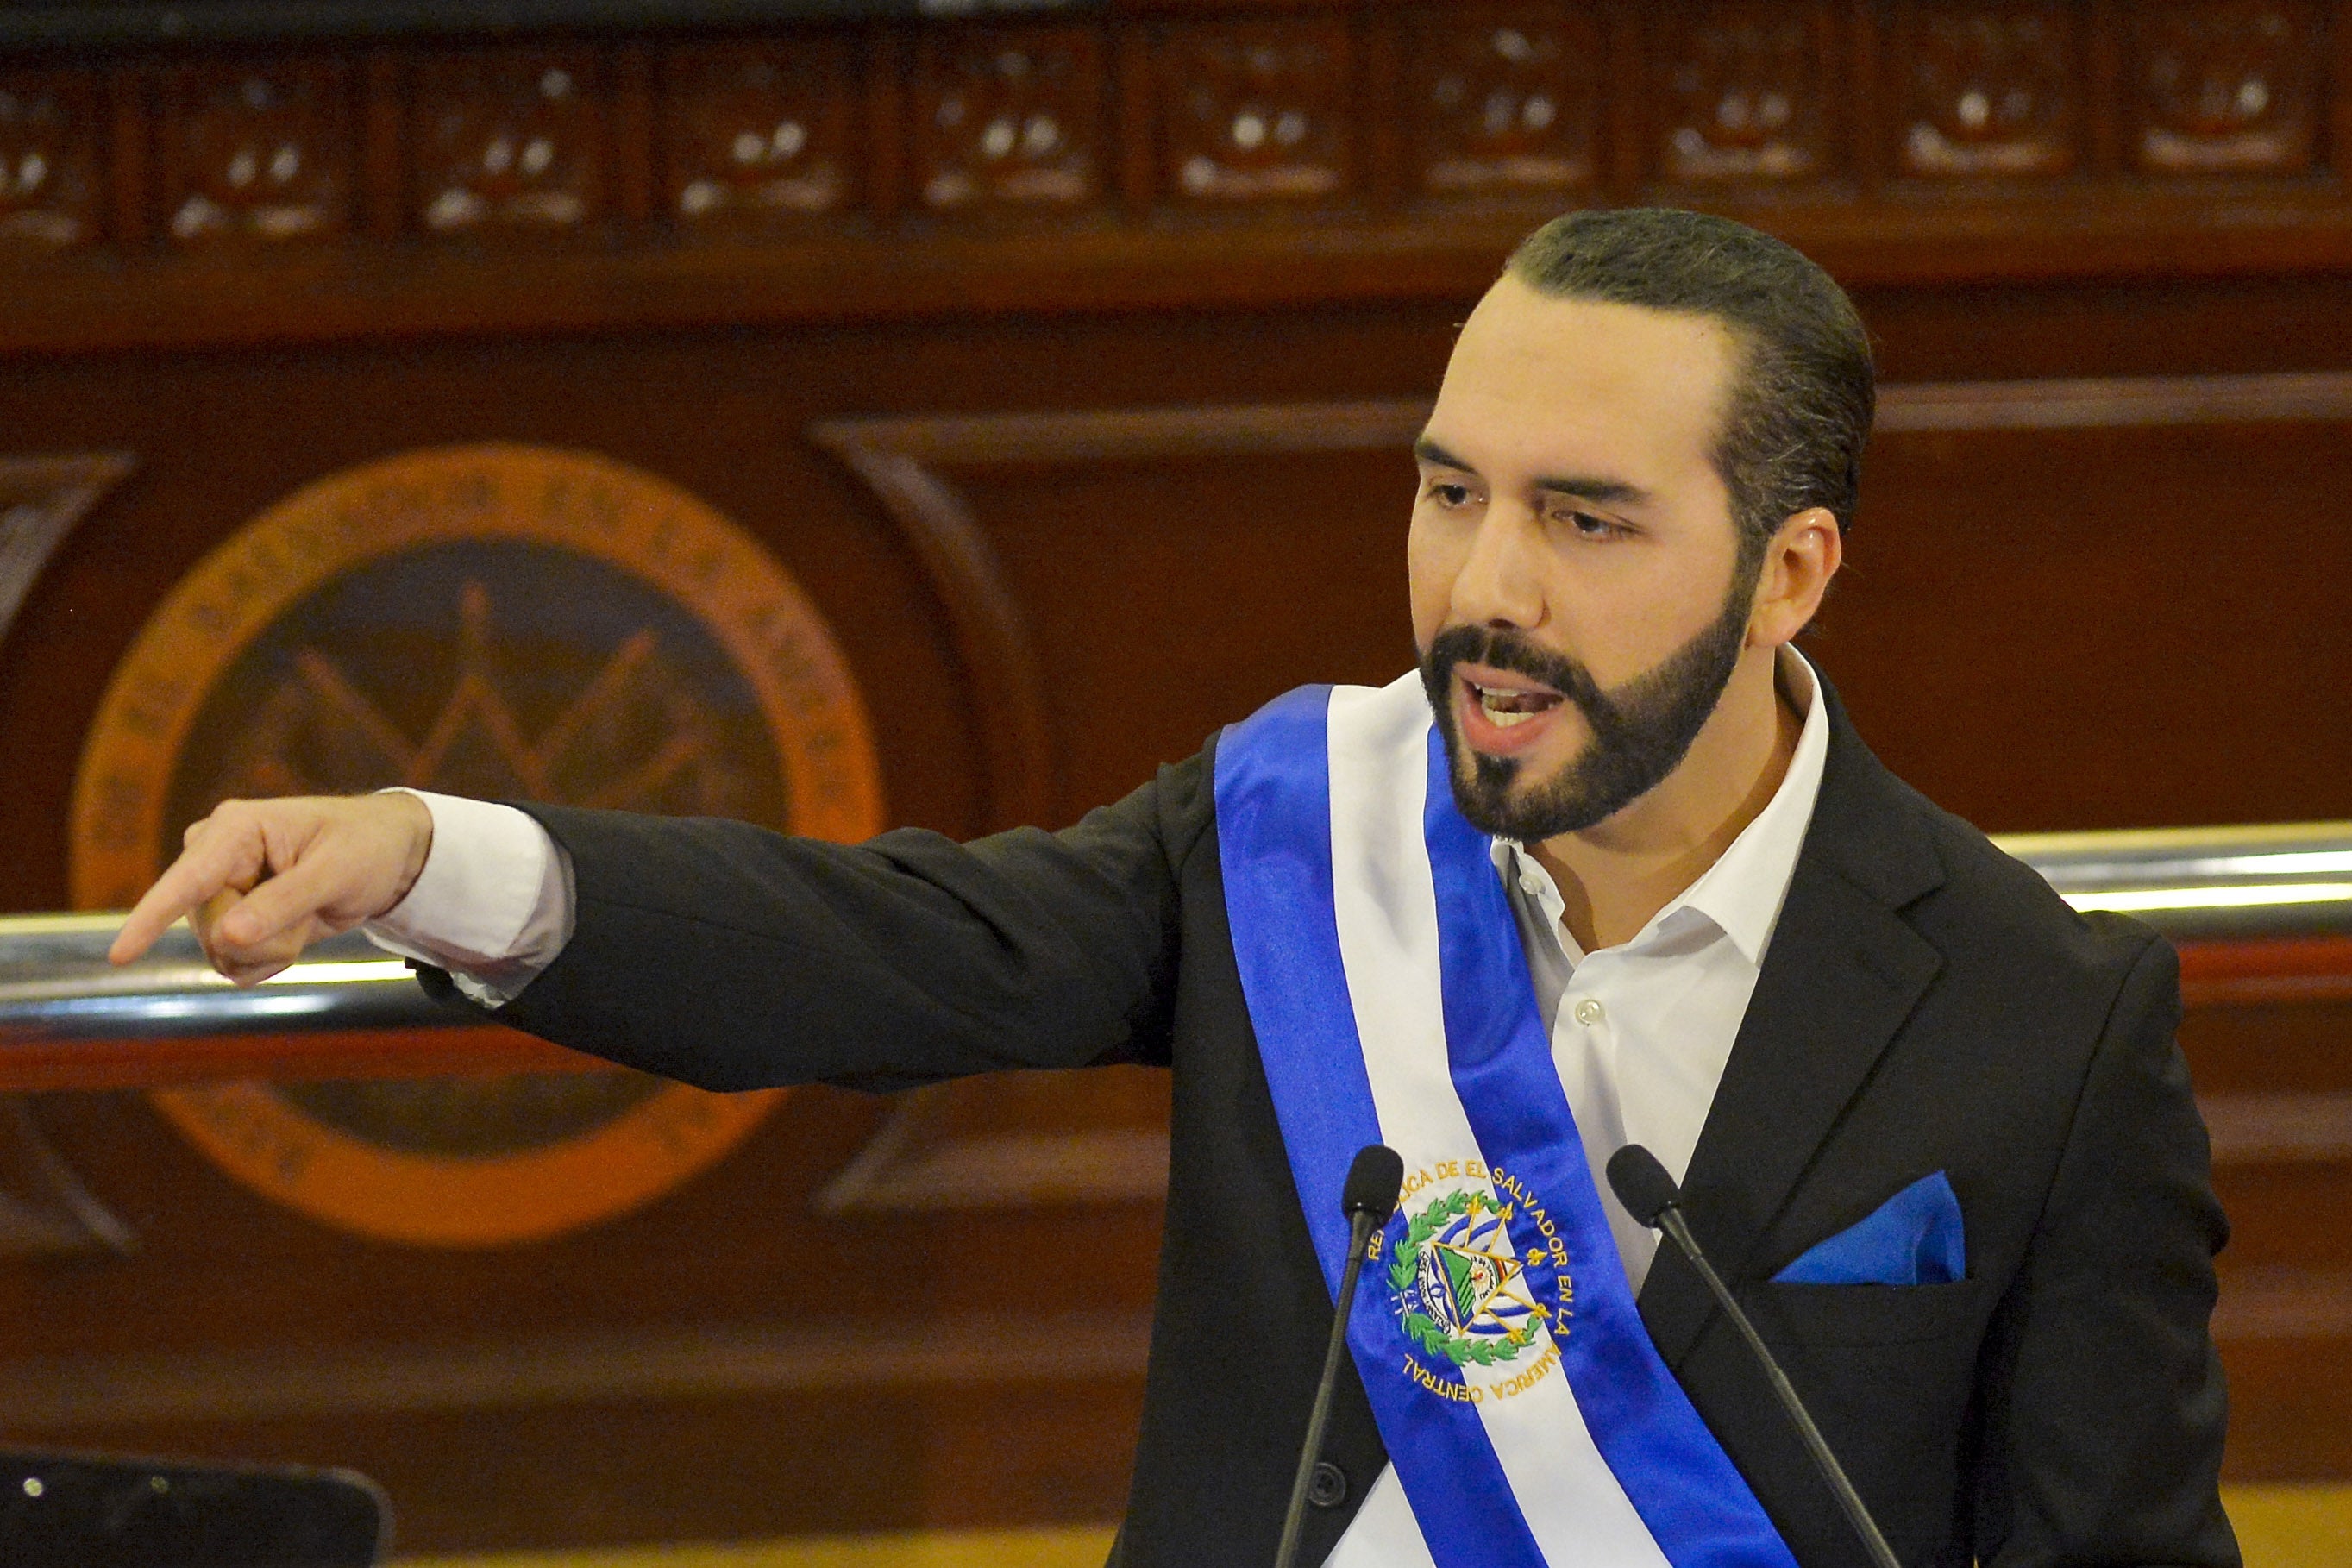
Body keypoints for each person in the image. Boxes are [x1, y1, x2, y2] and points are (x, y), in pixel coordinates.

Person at [113, 209, 2236, 1568]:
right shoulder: (1295, 825)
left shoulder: (2035, 1031)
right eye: (1444, 491)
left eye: (1585, 521)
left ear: (1789, 573)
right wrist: (429, 853)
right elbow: (890, 956)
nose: (1481, 592)